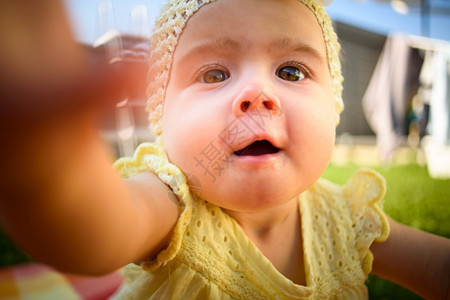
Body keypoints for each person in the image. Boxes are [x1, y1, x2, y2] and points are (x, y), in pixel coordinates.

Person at [0, 0, 448, 299]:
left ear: (335, 105)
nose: (256, 93)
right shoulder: (171, 207)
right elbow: (91, 232)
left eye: (291, 72)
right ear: (163, 119)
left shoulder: (348, 220)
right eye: (215, 74)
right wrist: (45, 158)